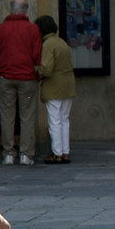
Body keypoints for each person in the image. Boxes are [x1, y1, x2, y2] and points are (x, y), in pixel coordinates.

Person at [0, 0, 42, 165]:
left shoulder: (0, 30)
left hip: (6, 77)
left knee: (7, 116)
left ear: (11, 10)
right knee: (27, 117)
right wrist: (37, 74)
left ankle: (8, 153)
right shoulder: (32, 29)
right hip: (27, 78)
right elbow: (37, 54)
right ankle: (26, 154)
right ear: (25, 11)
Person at [35, 15, 75, 164]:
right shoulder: (61, 42)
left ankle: (57, 153)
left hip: (54, 86)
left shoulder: (48, 44)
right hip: (68, 85)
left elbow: (46, 69)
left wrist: (36, 69)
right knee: (64, 120)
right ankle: (65, 152)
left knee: (55, 121)